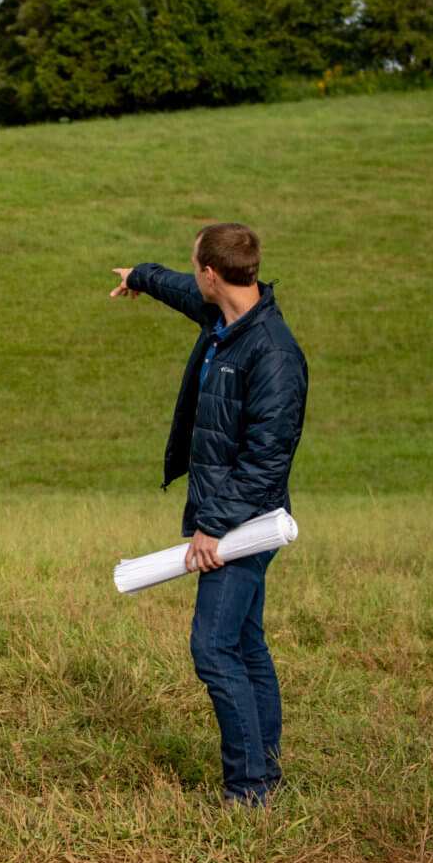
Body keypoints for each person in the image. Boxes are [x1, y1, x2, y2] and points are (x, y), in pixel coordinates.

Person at [110, 223, 308, 807]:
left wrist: (213, 527)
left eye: (194, 265)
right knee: (246, 644)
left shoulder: (272, 352)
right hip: (228, 513)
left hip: (242, 522)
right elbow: (179, 289)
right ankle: (263, 772)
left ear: (213, 274)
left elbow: (267, 461)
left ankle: (249, 789)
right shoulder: (224, 318)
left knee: (214, 649)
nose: (191, 275)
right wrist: (139, 278)